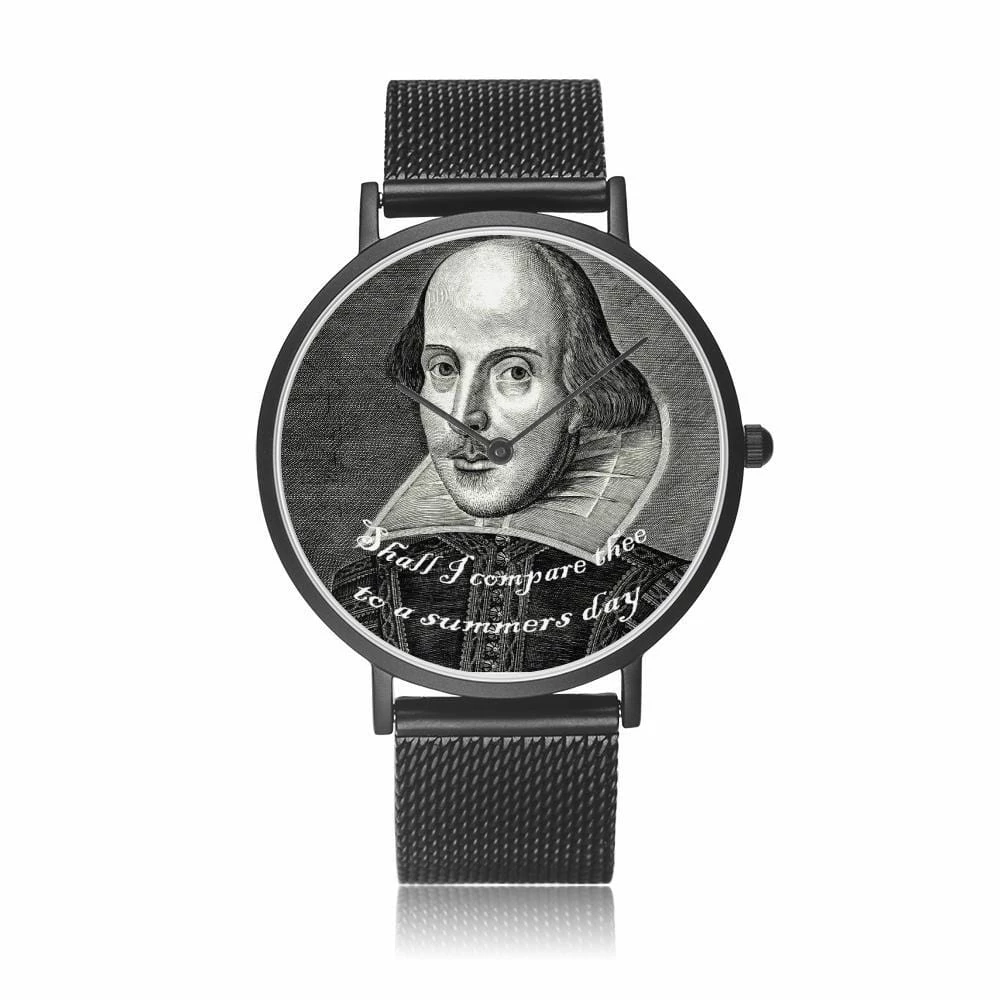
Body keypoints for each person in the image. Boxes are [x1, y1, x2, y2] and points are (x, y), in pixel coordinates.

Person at [330, 237, 689, 672]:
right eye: (443, 368)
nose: (463, 417)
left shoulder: (658, 596)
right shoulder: (362, 596)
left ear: (580, 398)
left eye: (515, 372)